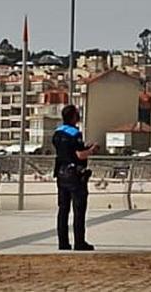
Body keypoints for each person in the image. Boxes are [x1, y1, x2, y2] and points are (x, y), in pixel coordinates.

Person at [53, 104, 99, 251]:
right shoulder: (74, 133)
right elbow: (79, 155)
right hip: (75, 175)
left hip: (61, 172)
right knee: (79, 210)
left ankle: (63, 242)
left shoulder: (57, 133)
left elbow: (67, 152)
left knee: (63, 209)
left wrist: (83, 148)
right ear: (73, 117)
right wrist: (91, 150)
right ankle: (79, 242)